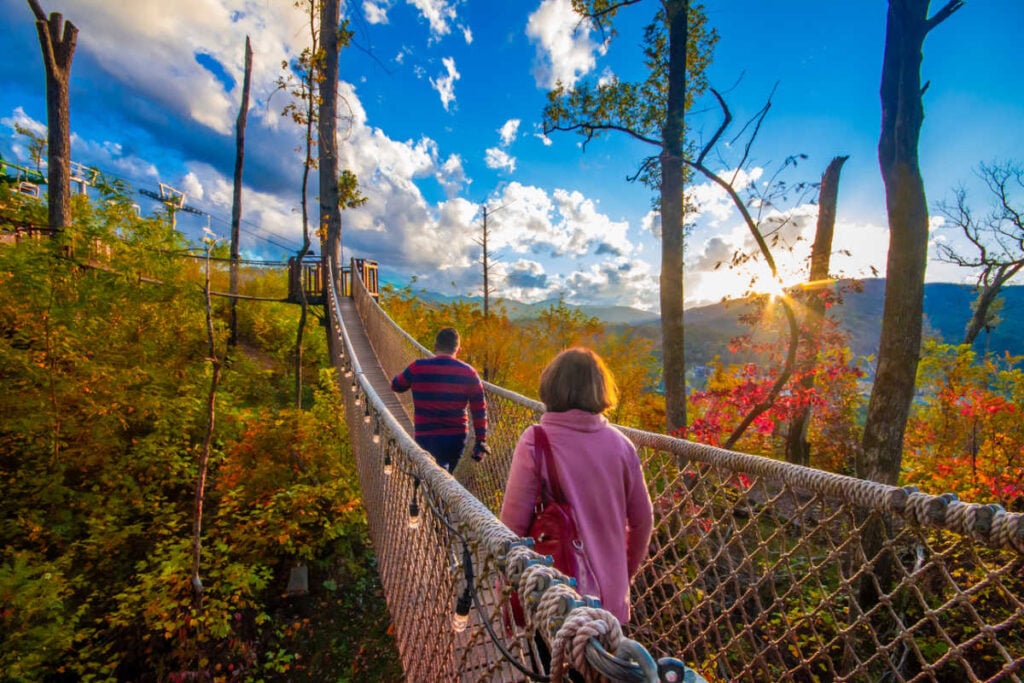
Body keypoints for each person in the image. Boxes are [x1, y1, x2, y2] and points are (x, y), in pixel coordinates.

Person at [500, 347, 653, 624]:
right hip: (610, 606)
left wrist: (505, 591)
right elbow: (643, 522)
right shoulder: (622, 446)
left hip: (557, 597)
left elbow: (512, 529)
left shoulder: (536, 441)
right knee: (602, 667)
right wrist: (621, 574)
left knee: (553, 666)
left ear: (552, 385)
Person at [391, 327, 488, 473]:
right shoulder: (469, 373)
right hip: (456, 439)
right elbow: (479, 410)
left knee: (427, 475)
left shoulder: (417, 367)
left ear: (435, 347)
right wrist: (480, 442)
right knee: (446, 477)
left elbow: (396, 385)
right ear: (458, 350)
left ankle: (429, 492)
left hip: (426, 436)